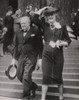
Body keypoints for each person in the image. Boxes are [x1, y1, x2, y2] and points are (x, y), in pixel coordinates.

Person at [32, 7, 71, 100]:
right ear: (46, 17)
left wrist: (61, 43)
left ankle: (61, 97)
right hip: (46, 55)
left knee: (58, 77)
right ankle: (43, 98)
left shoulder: (62, 26)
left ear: (55, 15)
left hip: (58, 56)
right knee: (45, 77)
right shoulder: (44, 25)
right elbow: (34, 18)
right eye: (48, 15)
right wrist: (43, 9)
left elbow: (68, 41)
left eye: (51, 14)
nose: (50, 16)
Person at [11, 16, 43, 99]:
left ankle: (26, 96)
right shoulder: (18, 32)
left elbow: (40, 46)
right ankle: (33, 86)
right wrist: (14, 59)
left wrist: (40, 59)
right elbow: (15, 45)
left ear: (29, 23)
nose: (23, 25)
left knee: (26, 76)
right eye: (21, 23)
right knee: (19, 75)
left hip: (31, 57)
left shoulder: (35, 31)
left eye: (24, 23)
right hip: (21, 56)